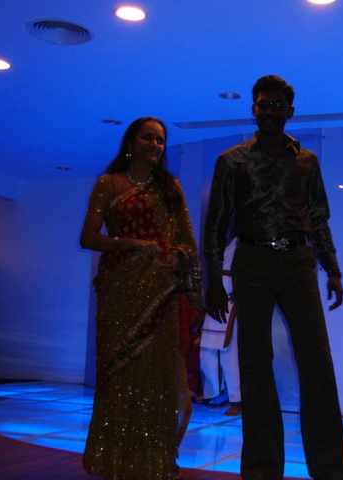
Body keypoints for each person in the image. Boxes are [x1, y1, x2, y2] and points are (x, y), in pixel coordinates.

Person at [204, 75, 343, 480]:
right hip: (251, 261)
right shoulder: (232, 160)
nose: (269, 110)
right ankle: (261, 469)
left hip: (299, 262)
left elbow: (318, 218)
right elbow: (216, 224)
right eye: (263, 103)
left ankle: (331, 471)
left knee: (317, 360)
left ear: (290, 111)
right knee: (254, 363)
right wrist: (213, 281)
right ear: (253, 108)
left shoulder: (306, 161)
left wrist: (333, 269)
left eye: (277, 104)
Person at [80, 116, 203, 480]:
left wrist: (175, 255)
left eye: (161, 140)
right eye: (148, 138)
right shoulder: (108, 184)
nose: (155, 145)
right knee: (117, 374)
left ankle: (153, 463)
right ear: (131, 143)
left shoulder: (170, 188)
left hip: (160, 295)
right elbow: (88, 237)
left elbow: (187, 243)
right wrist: (133, 243)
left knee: (156, 378)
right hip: (119, 292)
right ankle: (115, 462)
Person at [199, 236, 242, 416]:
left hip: (232, 293)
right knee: (207, 348)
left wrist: (240, 289)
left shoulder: (241, 240)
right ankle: (216, 393)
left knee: (229, 352)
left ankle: (237, 399)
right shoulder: (222, 238)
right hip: (217, 292)